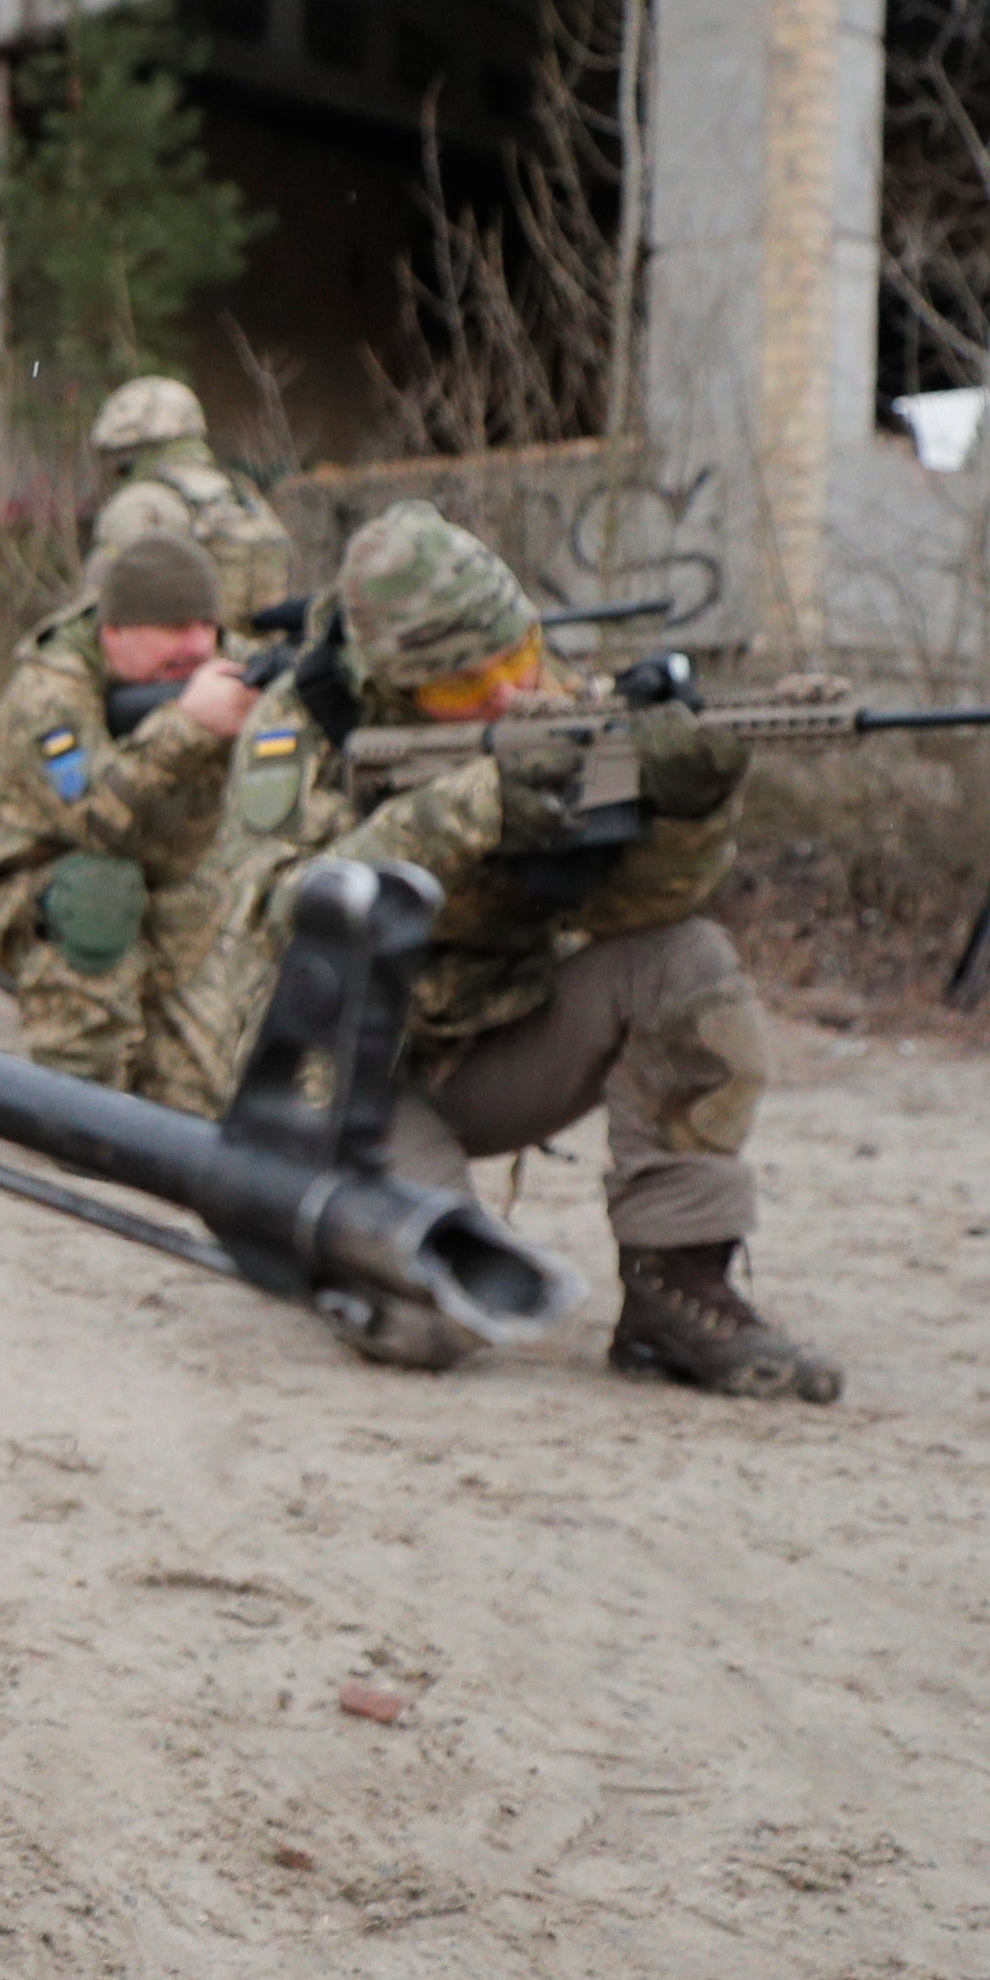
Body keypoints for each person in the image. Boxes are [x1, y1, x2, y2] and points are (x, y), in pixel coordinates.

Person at [170, 501, 838, 1399]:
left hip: (494, 1042)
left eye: (517, 660)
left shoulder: (560, 701)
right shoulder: (298, 731)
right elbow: (276, 910)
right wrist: (470, 809)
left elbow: (639, 909)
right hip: (347, 1078)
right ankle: (324, 1241)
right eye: (459, 691)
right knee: (438, 1317)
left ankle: (675, 1288)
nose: (505, 697)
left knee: (684, 961)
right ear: (390, 685)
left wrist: (689, 810)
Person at [0, 531, 254, 1096]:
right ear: (113, 632)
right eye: (174, 628)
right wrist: (186, 728)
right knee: (99, 891)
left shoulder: (232, 664)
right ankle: (76, 1098)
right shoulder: (48, 691)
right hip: (49, 896)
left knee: (199, 1106)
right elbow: (95, 821)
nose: (198, 646)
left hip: (181, 890)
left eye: (206, 625)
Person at [83, 375, 298, 623]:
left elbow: (102, 604)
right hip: (259, 646)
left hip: (176, 644)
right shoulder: (240, 493)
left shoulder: (139, 502)